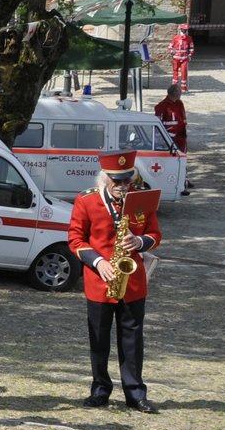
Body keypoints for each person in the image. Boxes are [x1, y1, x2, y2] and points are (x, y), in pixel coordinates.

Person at [68, 149, 162, 413]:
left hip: (132, 283)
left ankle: (135, 393)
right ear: (104, 178)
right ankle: (100, 390)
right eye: (116, 181)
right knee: (98, 339)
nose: (122, 186)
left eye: (126, 180)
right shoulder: (87, 201)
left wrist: (139, 241)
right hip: (101, 281)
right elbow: (75, 239)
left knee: (132, 339)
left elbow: (155, 233)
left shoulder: (140, 200)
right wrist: (99, 262)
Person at [153, 84, 191, 194]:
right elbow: (158, 125)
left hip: (180, 138)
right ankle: (178, 183)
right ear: (174, 93)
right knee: (173, 162)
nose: (181, 94)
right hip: (170, 140)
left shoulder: (179, 103)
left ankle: (185, 180)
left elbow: (182, 118)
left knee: (183, 160)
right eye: (179, 91)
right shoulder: (161, 106)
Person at [169, 24, 194, 92]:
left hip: (184, 57)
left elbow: (191, 47)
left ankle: (183, 88)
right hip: (176, 57)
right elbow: (170, 46)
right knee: (175, 71)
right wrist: (172, 52)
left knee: (184, 72)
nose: (184, 31)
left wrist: (190, 55)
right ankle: (174, 87)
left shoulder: (189, 38)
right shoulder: (175, 37)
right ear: (180, 29)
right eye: (183, 30)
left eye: (186, 30)